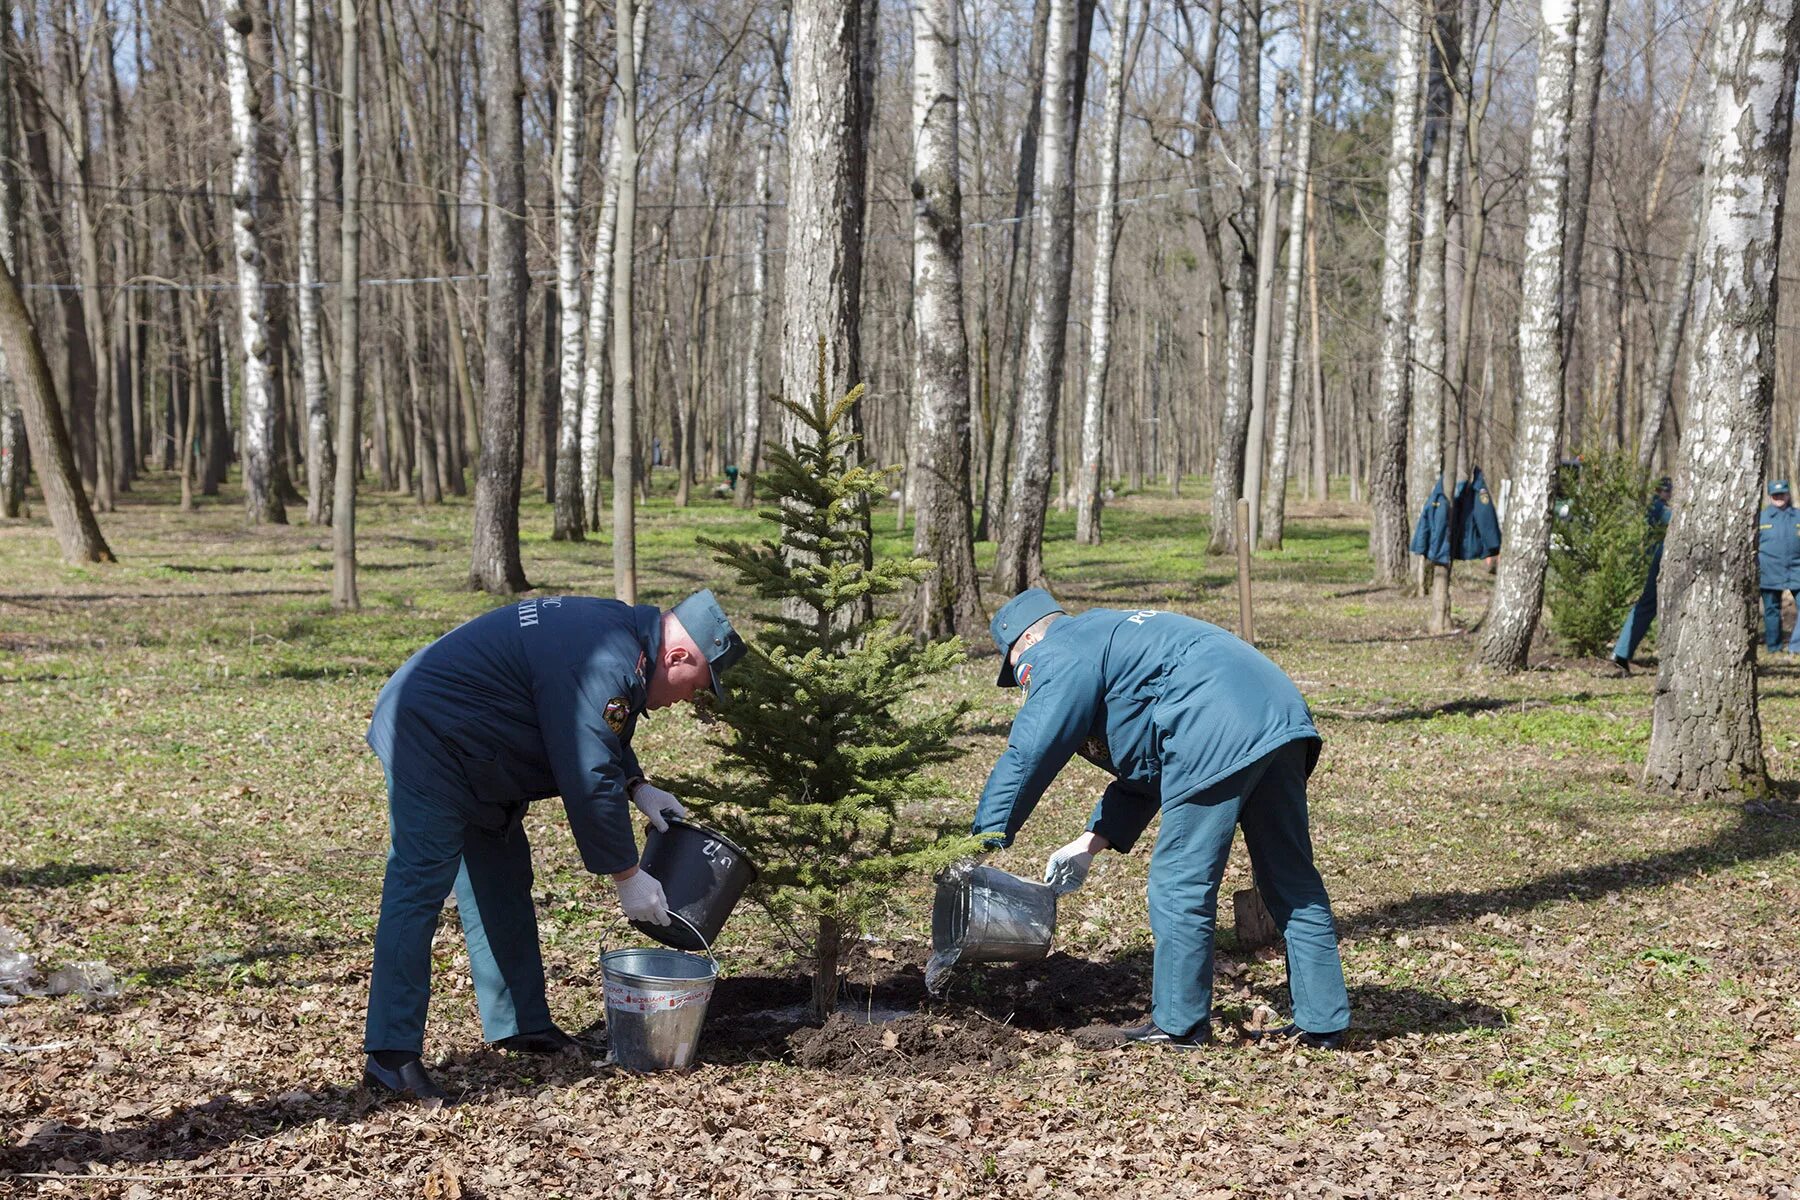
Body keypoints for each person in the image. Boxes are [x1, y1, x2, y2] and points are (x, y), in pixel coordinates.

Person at [361, 589, 745, 1101]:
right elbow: (586, 770)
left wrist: (637, 786)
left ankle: (519, 1023)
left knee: (502, 880)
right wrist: (627, 877)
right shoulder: (612, 657)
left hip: (480, 748)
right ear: (677, 656)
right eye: (695, 685)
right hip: (429, 735)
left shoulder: (622, 635)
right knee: (418, 890)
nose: (688, 698)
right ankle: (390, 1055)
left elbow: (591, 726)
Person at [968, 589, 1350, 1050]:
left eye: (1016, 670)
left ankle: (1179, 1023)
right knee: (1290, 875)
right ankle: (1324, 1021)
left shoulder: (1059, 650)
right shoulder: (1112, 637)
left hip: (1214, 721)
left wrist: (985, 836)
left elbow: (1030, 751)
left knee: (1179, 882)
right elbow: (1149, 767)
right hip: (1280, 716)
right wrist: (1090, 843)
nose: (1024, 683)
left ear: (1027, 638)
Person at [1611, 476, 1674, 674]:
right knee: (1650, 605)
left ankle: (1621, 652)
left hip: (1658, 557)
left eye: (1667, 490)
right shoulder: (1659, 508)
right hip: (1662, 558)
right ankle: (1621, 652)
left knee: (1646, 606)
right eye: (1664, 490)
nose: (1666, 493)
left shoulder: (1656, 507)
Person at [1760, 480, 1800, 653]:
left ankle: (1796, 646)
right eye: (1775, 495)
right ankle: (1774, 646)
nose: (1779, 498)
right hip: (1769, 571)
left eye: (1782, 494)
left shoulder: (1798, 516)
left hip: (1797, 569)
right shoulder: (1761, 517)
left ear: (1788, 494)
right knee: (1771, 611)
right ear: (1770, 497)